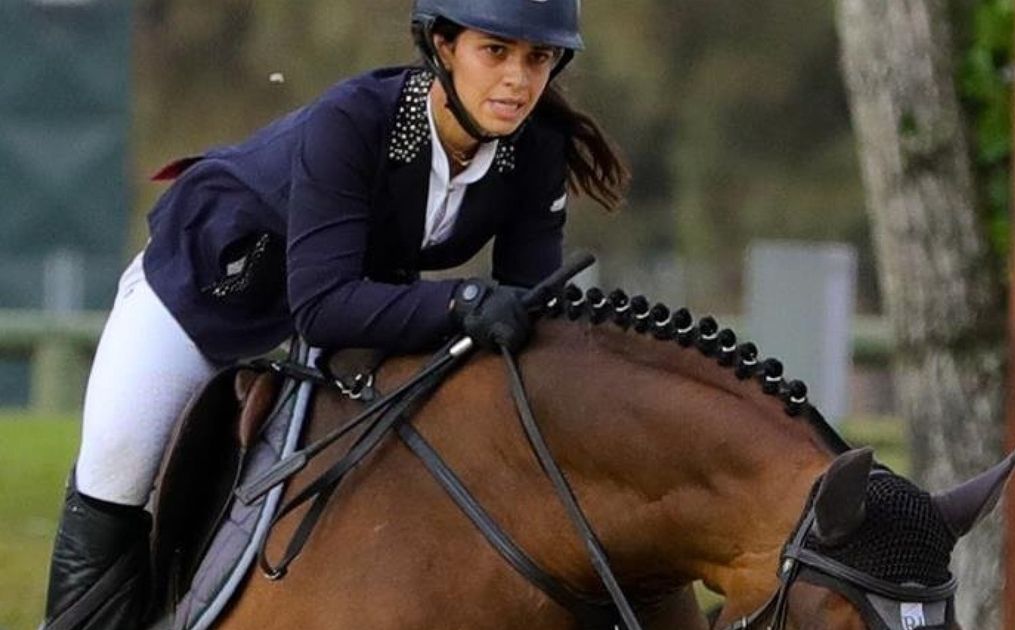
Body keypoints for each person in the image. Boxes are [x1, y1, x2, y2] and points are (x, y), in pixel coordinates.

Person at [39, 1, 628, 628]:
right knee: (117, 466)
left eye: (538, 58)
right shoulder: (352, 120)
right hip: (208, 293)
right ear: (443, 46)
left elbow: (527, 305)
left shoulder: (536, 147)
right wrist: (463, 303)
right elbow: (323, 307)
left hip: (355, 300)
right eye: (496, 52)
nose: (518, 79)